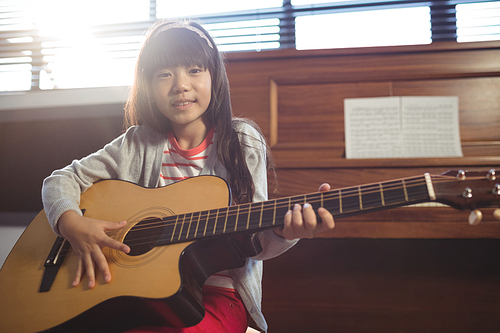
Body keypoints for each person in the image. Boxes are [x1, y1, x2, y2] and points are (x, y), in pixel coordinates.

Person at [41, 19, 335, 333]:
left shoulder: (242, 140)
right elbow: (60, 180)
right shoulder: (137, 143)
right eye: (164, 74)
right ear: (149, 86)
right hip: (145, 291)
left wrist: (285, 233)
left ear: (215, 77)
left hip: (220, 294)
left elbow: (256, 240)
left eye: (194, 70)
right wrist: (72, 224)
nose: (180, 84)